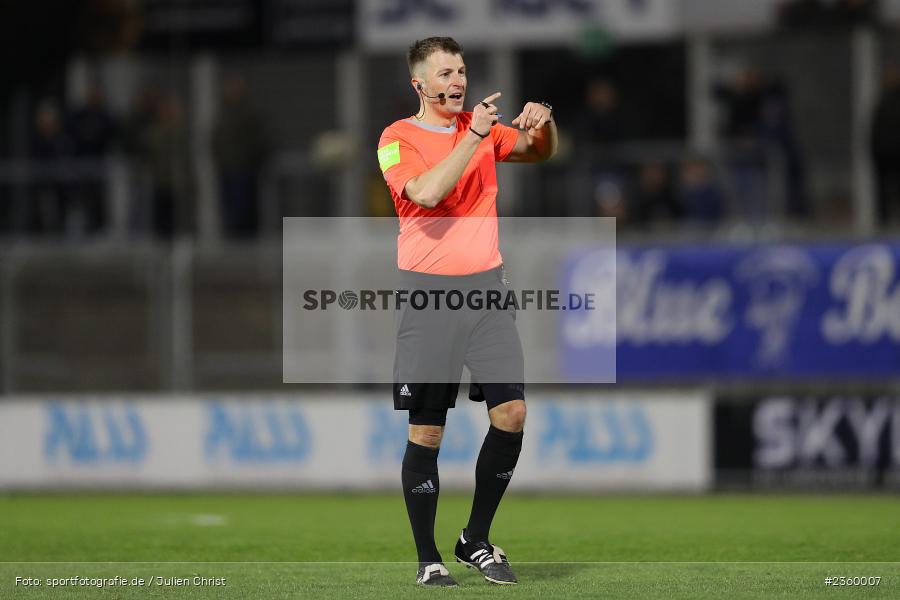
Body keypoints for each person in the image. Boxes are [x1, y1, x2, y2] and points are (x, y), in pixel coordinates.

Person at [376, 37, 556, 587]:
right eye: (446, 73)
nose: (458, 80)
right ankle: (428, 558)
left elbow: (538, 151)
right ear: (420, 85)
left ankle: (474, 539)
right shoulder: (395, 139)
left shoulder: (479, 131)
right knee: (427, 433)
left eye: (461, 70)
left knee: (513, 414)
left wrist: (543, 123)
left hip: (486, 293)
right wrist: (475, 136)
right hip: (429, 297)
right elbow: (427, 193)